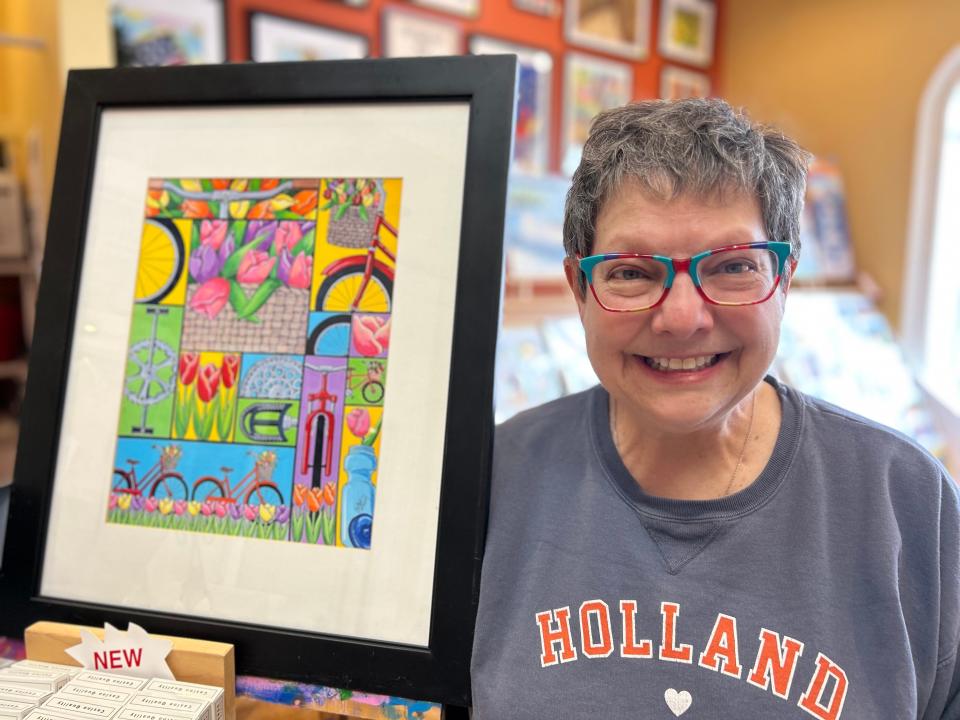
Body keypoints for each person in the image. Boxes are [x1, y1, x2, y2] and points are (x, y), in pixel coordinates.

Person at [470, 99, 960, 718]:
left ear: (783, 280)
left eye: (733, 267)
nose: (681, 318)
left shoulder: (909, 507)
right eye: (631, 273)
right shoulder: (493, 482)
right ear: (579, 288)